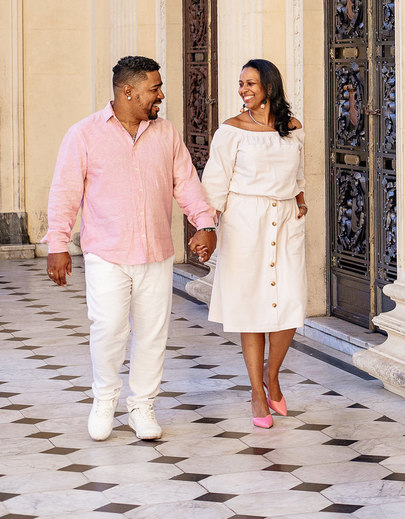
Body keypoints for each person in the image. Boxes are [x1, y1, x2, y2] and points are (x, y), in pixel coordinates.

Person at [44, 56, 218, 442]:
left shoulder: (166, 133)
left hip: (156, 252)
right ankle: (105, 399)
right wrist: (57, 244)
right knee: (108, 329)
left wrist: (204, 223)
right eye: (154, 88)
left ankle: (142, 406)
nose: (161, 95)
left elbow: (186, 182)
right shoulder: (84, 134)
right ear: (128, 91)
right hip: (106, 252)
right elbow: (65, 193)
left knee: (153, 333)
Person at [201, 59, 306, 429]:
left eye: (251, 83)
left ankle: (271, 373)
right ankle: (257, 392)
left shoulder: (292, 129)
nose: (244, 90)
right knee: (251, 307)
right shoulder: (231, 131)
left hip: (286, 221)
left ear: (270, 88)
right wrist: (206, 226)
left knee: (289, 304)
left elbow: (298, 173)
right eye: (241, 84)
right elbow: (215, 182)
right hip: (245, 222)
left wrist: (300, 198)